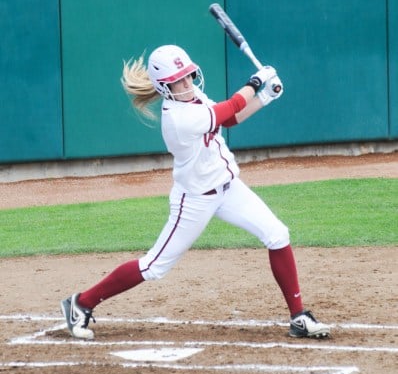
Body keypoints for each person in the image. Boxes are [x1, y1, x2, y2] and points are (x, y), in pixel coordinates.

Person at [61, 43, 331, 341]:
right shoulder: (178, 118)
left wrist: (264, 97)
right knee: (153, 266)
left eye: (188, 75)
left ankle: (298, 317)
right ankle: (81, 303)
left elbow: (229, 119)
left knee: (278, 234)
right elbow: (229, 107)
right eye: (179, 79)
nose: (187, 82)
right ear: (164, 87)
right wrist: (255, 82)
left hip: (228, 189)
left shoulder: (194, 98)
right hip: (195, 200)